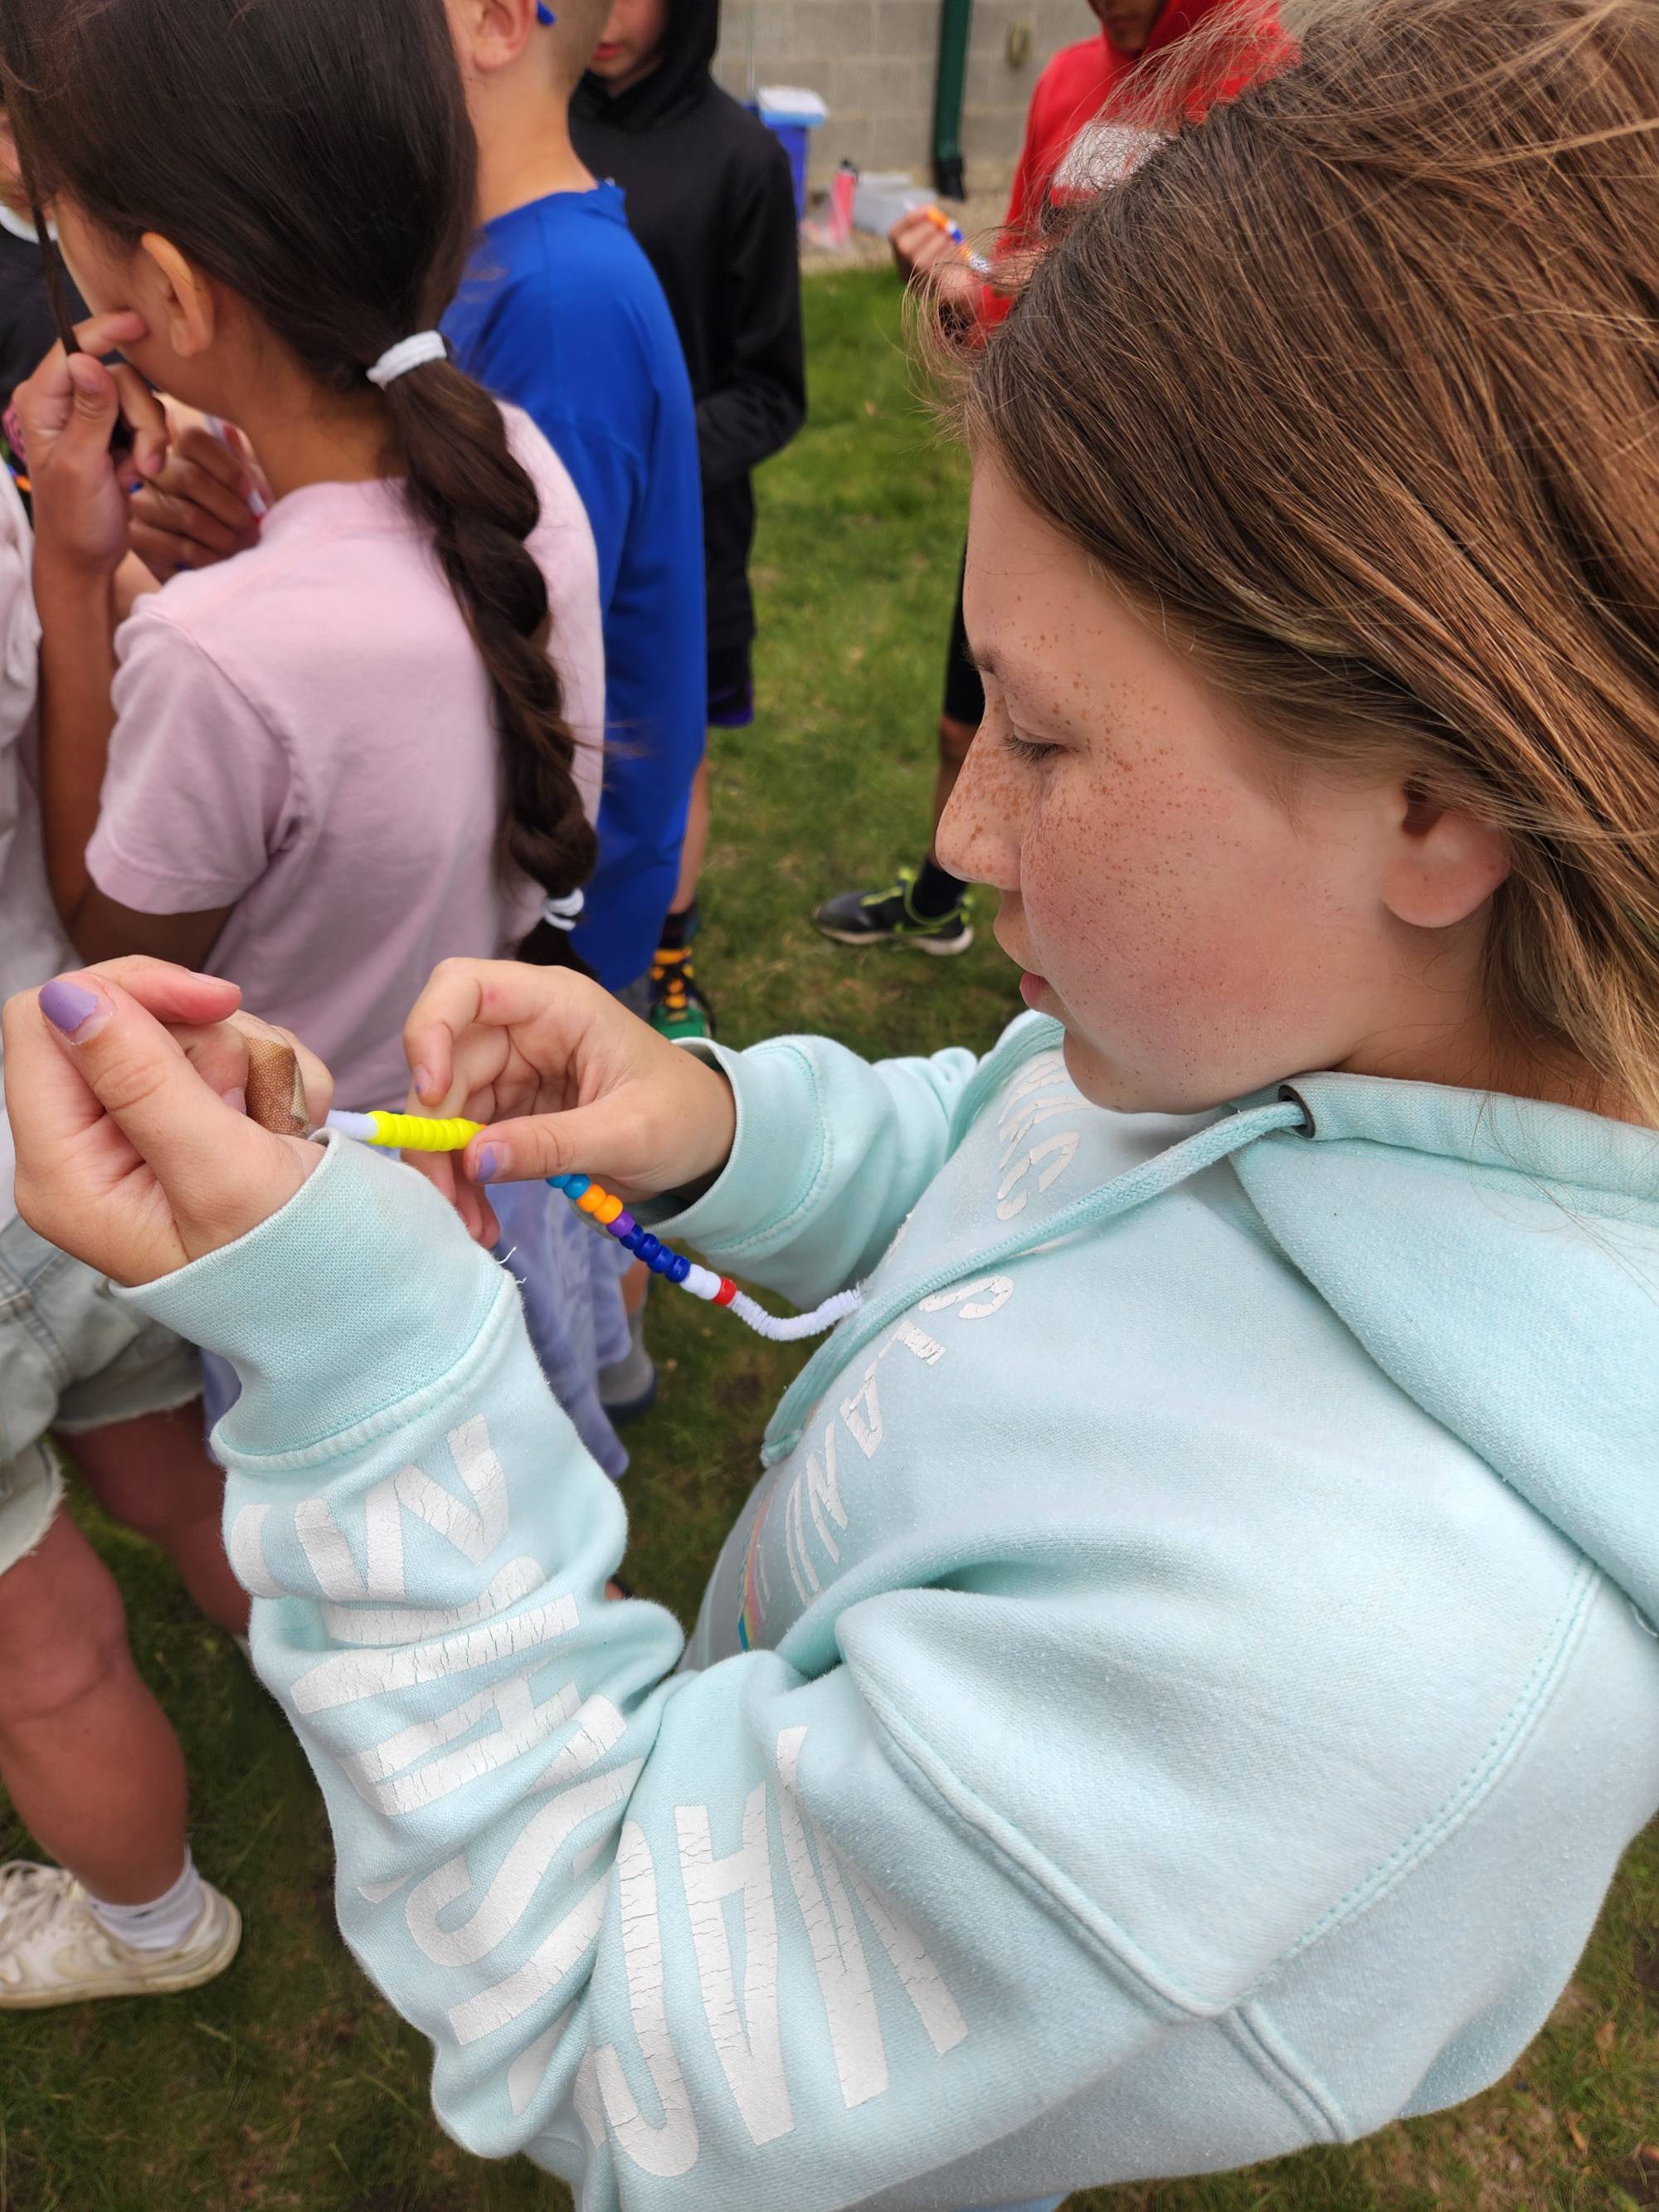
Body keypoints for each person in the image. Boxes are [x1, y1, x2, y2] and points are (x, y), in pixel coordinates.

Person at [11, 0, 1659, 2203]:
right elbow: (1017, 1149)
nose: (960, 835)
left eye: (1048, 742)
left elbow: (614, 2024)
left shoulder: (1369, 1653)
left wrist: (380, 1352)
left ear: (1437, 802)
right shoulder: (1324, 1038)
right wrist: (715, 1124)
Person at [5, 0, 634, 1475]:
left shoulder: (221, 651)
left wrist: (73, 572)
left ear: (159, 284)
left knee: (394, 1563)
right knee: (536, 1493)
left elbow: (115, 951)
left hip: (331, 1216)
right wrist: (254, 547)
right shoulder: (514, 462)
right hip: (500, 1138)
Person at [812, 0, 1285, 957]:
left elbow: (1249, 337)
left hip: (1155, 517)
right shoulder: (1066, 77)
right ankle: (940, 904)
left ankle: (1091, 965)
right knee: (975, 725)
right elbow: (1014, 284)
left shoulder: (1259, 72)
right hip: (1030, 490)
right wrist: (964, 298)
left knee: (1108, 762)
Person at [0, 440, 249, 2010]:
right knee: (178, 1468)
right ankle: (361, 1711)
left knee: (38, 1642)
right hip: (65, 1083)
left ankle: (150, 1927)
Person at [443, 0, 707, 1419]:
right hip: (550, 880)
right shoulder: (510, 265)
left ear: (493, 23)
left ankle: (582, 1391)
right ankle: (613, 1331)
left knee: (539, 1185)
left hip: (555, 884)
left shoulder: (556, 299)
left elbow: (532, 643)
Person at [572, 0, 805, 1041]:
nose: (603, 15)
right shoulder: (534, 133)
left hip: (681, 535)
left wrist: (640, 468)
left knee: (670, 755)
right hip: (538, 526)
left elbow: (770, 389)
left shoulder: (741, 156)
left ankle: (669, 965)